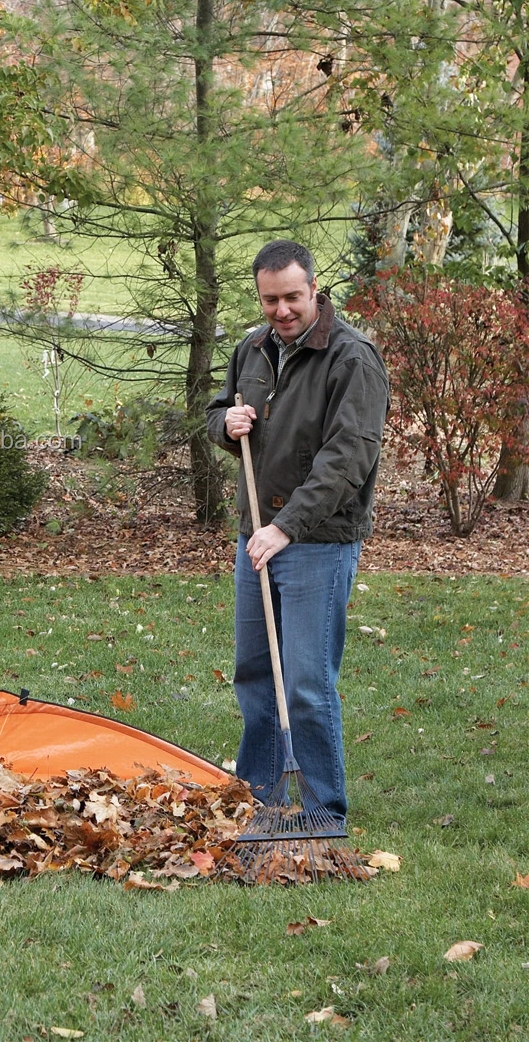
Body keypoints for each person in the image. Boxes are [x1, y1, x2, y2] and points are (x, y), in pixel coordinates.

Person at [206, 239, 389, 824]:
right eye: (269, 300)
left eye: (291, 297)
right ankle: (258, 797)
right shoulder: (252, 348)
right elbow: (217, 409)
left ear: (314, 290)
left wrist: (285, 527)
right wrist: (224, 423)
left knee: (307, 683)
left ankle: (322, 808)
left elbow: (347, 459)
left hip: (317, 541)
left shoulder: (352, 359)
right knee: (256, 673)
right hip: (257, 533)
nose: (281, 311)